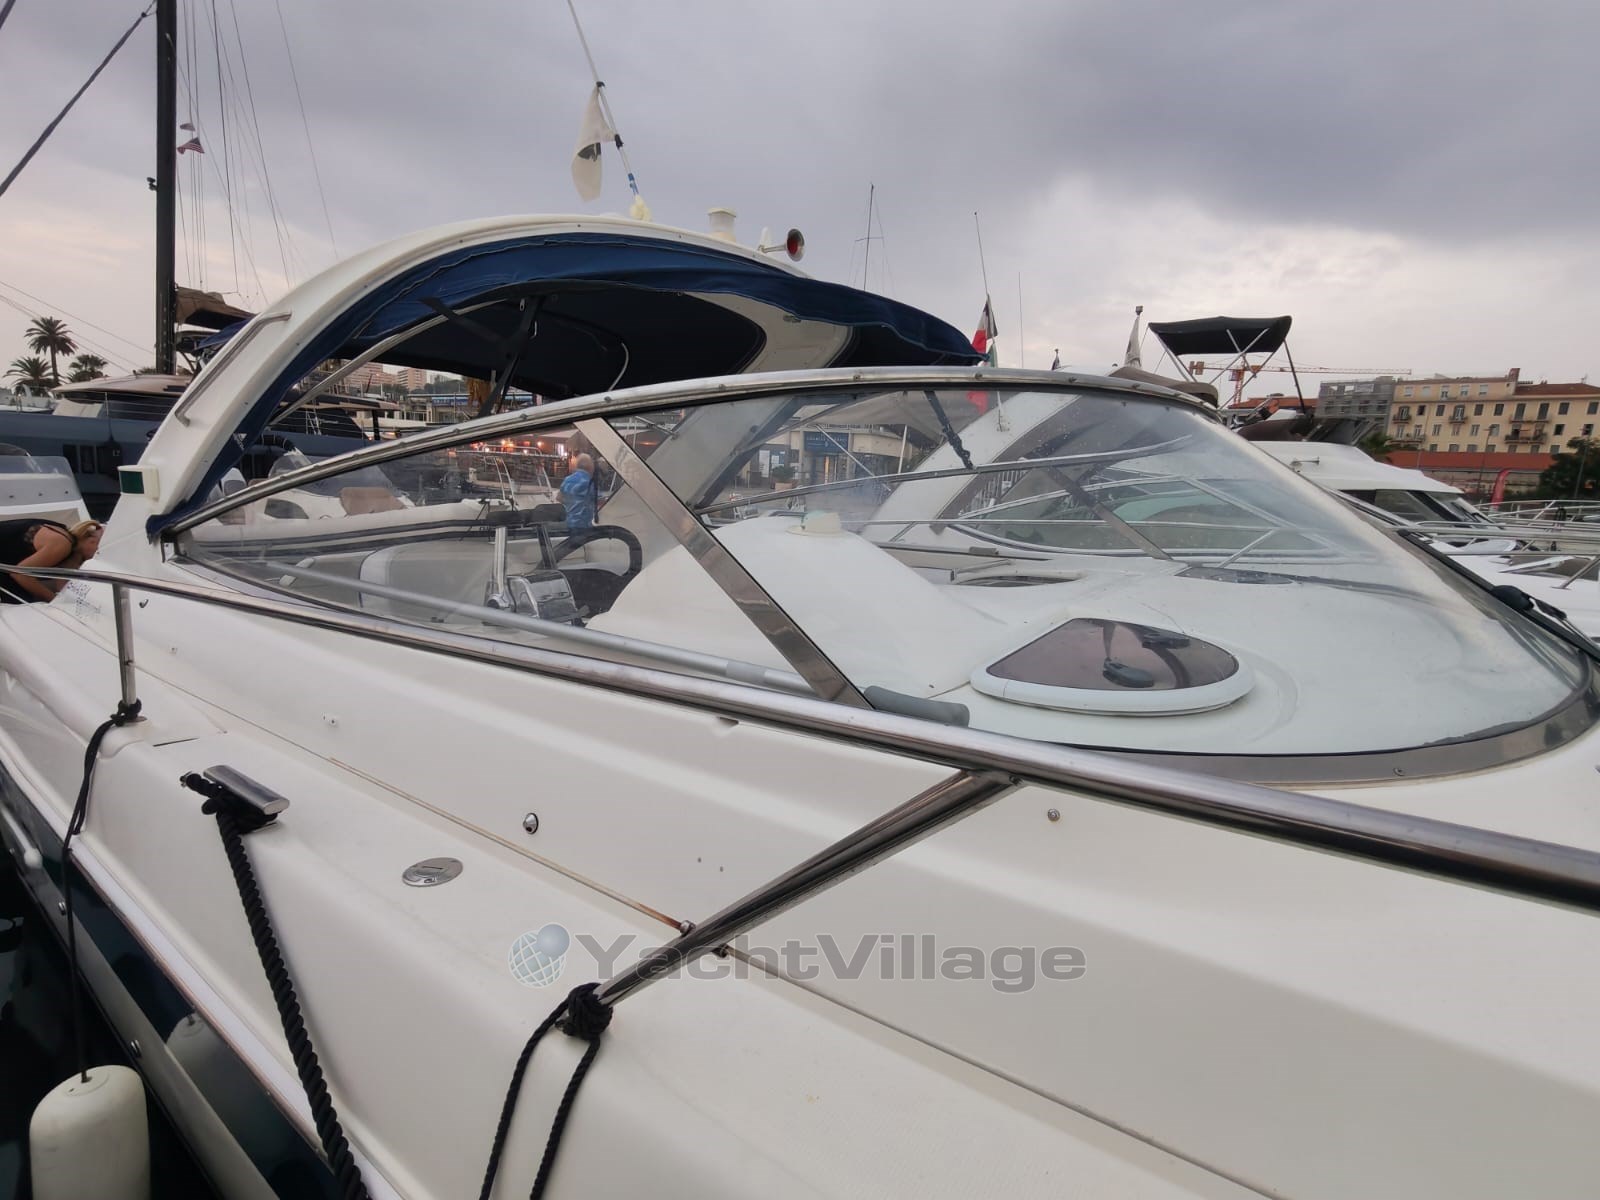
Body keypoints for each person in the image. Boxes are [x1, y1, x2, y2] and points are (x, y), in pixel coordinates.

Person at [0, 518, 100, 602]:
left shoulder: (72, 552)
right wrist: (54, 601)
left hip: (6, 564)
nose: (97, 555)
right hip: (9, 567)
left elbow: (64, 586)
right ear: (92, 541)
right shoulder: (63, 543)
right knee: (22, 603)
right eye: (99, 549)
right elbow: (20, 574)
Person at [560, 452, 596, 530]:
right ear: (590, 467)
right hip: (583, 525)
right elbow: (598, 500)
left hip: (569, 523)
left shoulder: (567, 479)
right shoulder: (589, 482)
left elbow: (559, 498)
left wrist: (571, 502)